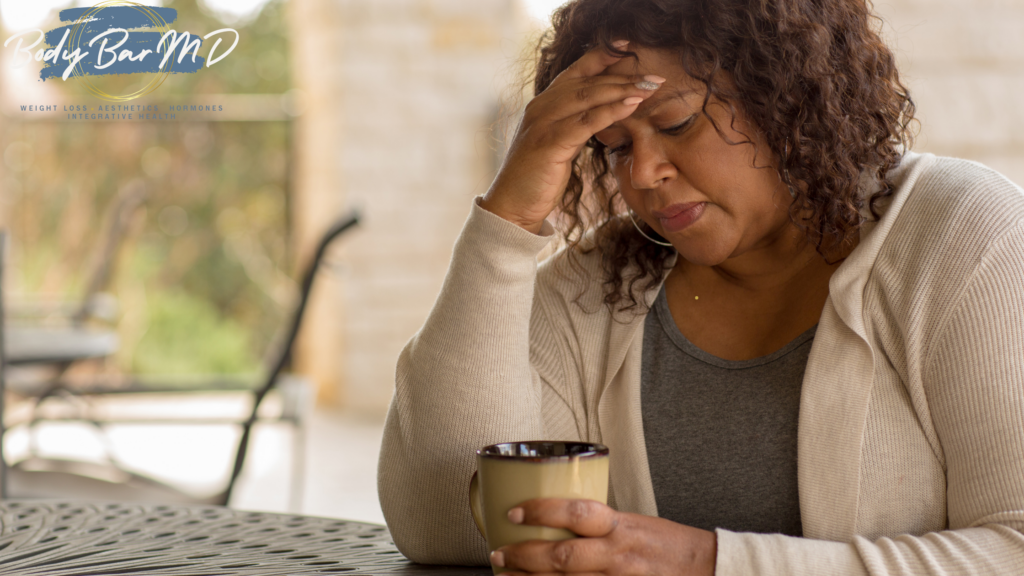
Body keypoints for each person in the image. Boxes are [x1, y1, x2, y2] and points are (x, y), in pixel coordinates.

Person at [377, 0, 1024, 573]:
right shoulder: (600, 284)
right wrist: (508, 221)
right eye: (614, 147)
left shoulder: (964, 240)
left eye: (678, 122)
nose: (645, 174)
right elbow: (450, 528)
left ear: (784, 90)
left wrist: (705, 562)